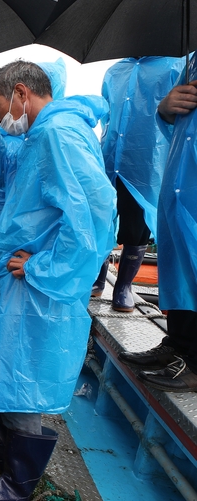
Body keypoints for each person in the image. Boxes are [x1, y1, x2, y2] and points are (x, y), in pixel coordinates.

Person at [0, 60, 116, 501]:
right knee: (9, 365)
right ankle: (3, 450)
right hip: (20, 279)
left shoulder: (56, 134)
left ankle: (18, 484)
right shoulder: (39, 133)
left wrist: (44, 267)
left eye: (4, 105)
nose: (5, 115)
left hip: (38, 285)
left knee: (25, 377)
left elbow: (96, 214)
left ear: (23, 93)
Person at [119, 58, 197, 392]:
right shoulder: (193, 59)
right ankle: (177, 346)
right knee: (179, 265)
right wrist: (165, 109)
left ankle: (194, 365)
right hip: (181, 174)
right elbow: (178, 121)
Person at [93, 57, 185, 312]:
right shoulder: (115, 71)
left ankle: (123, 286)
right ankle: (98, 278)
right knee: (101, 220)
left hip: (146, 161)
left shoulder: (174, 67)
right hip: (110, 157)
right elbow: (108, 114)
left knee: (137, 225)